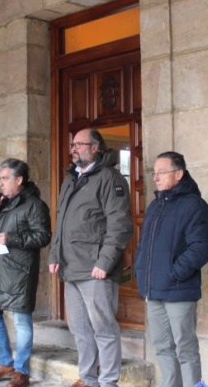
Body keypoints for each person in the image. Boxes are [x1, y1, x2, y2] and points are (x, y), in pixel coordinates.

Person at [48, 128, 134, 387]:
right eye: (72, 144)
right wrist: (54, 254)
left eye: (79, 144)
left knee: (103, 329)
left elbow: (120, 225)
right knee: (80, 330)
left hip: (95, 269)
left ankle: (108, 382)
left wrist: (104, 262)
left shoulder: (111, 178)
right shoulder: (71, 178)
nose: (73, 149)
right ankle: (88, 379)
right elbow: (61, 221)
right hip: (70, 266)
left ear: (95, 148)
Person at [134, 151, 208, 387]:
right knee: (162, 348)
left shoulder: (195, 205)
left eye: (161, 172)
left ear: (178, 174)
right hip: (153, 290)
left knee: (185, 349)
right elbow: (144, 245)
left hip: (178, 290)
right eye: (154, 172)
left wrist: (173, 273)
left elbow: (201, 248)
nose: (155, 177)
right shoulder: (156, 205)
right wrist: (140, 270)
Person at [0, 159, 51, 387]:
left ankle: (21, 370)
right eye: (0, 178)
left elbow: (43, 236)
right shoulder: (1, 202)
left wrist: (12, 238)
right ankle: (4, 361)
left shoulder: (35, 205)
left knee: (21, 320)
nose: (0, 183)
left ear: (19, 180)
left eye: (5, 178)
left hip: (20, 272)